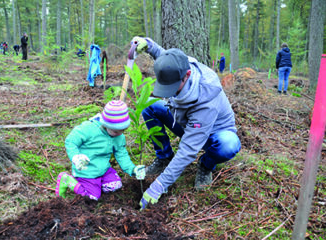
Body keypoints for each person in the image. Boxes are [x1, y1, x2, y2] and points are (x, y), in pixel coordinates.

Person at [130, 37, 241, 210]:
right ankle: (164, 157)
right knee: (149, 105)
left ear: (186, 76)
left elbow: (188, 150)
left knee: (229, 144)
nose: (168, 93)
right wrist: (148, 45)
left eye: (172, 87)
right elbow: (165, 58)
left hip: (212, 133)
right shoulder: (181, 65)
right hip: (185, 122)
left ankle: (206, 164)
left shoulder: (206, 97)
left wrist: (159, 186)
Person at [55, 100, 146, 200]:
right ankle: (67, 180)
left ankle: (97, 184)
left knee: (115, 186)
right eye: (116, 131)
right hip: (87, 171)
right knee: (92, 198)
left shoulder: (119, 137)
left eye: (123, 130)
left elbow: (122, 155)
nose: (119, 134)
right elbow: (71, 141)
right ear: (105, 124)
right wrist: (75, 157)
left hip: (103, 170)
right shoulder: (88, 129)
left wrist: (133, 169)